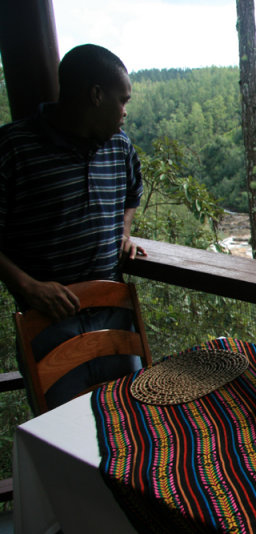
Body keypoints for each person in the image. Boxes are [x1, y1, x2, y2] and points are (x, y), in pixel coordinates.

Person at [0, 44, 147, 409]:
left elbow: (131, 195)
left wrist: (124, 233)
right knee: (62, 432)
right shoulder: (13, 149)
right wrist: (28, 286)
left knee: (126, 418)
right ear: (96, 95)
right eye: (121, 100)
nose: (125, 112)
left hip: (113, 312)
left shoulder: (120, 146)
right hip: (47, 321)